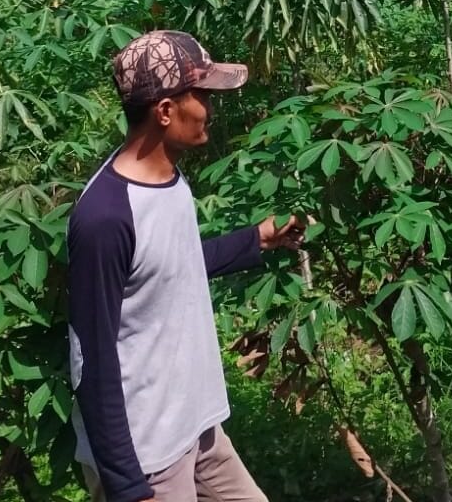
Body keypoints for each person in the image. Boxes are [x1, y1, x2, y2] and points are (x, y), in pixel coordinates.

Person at [68, 30, 304, 502]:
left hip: (196, 429)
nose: (210, 109)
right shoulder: (105, 218)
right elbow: (89, 362)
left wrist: (255, 239)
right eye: (201, 95)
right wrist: (128, 485)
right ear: (165, 111)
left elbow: (175, 265)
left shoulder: (170, 179)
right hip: (147, 455)